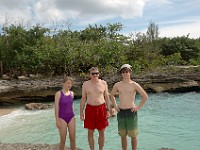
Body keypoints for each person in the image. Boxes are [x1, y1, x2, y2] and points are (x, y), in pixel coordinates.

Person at [110, 64, 148, 150]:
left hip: (131, 111)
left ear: (130, 72)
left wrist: (138, 107)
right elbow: (111, 95)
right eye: (123, 72)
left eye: (127, 72)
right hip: (121, 111)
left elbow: (145, 96)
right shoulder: (117, 85)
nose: (125, 74)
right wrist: (115, 106)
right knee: (123, 135)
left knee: (133, 135)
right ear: (121, 74)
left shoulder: (134, 84)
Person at [80, 67, 110, 150]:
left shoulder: (103, 83)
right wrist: (81, 112)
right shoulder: (85, 84)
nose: (95, 75)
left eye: (97, 73)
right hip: (90, 109)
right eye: (93, 74)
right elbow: (83, 99)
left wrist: (108, 110)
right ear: (89, 74)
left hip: (101, 108)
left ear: (99, 74)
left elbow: (107, 97)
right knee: (90, 132)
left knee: (102, 131)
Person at [55, 76, 76, 150]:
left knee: (73, 138)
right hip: (62, 117)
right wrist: (57, 120)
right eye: (67, 83)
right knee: (63, 139)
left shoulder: (72, 93)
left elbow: (71, 105)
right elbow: (56, 108)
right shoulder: (58, 94)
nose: (69, 85)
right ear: (63, 83)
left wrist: (74, 116)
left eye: (70, 84)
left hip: (71, 117)